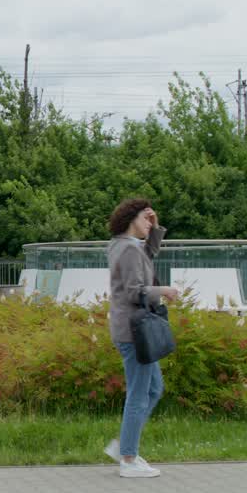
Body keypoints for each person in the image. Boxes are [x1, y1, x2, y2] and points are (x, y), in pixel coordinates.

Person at [103, 199, 179, 478]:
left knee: (154, 389)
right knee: (139, 394)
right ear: (131, 219)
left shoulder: (121, 245)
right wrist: (164, 290)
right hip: (134, 332)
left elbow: (147, 256)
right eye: (146, 219)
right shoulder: (129, 250)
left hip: (129, 329)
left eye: (151, 220)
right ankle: (128, 459)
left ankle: (125, 444)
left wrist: (155, 228)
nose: (149, 223)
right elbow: (135, 291)